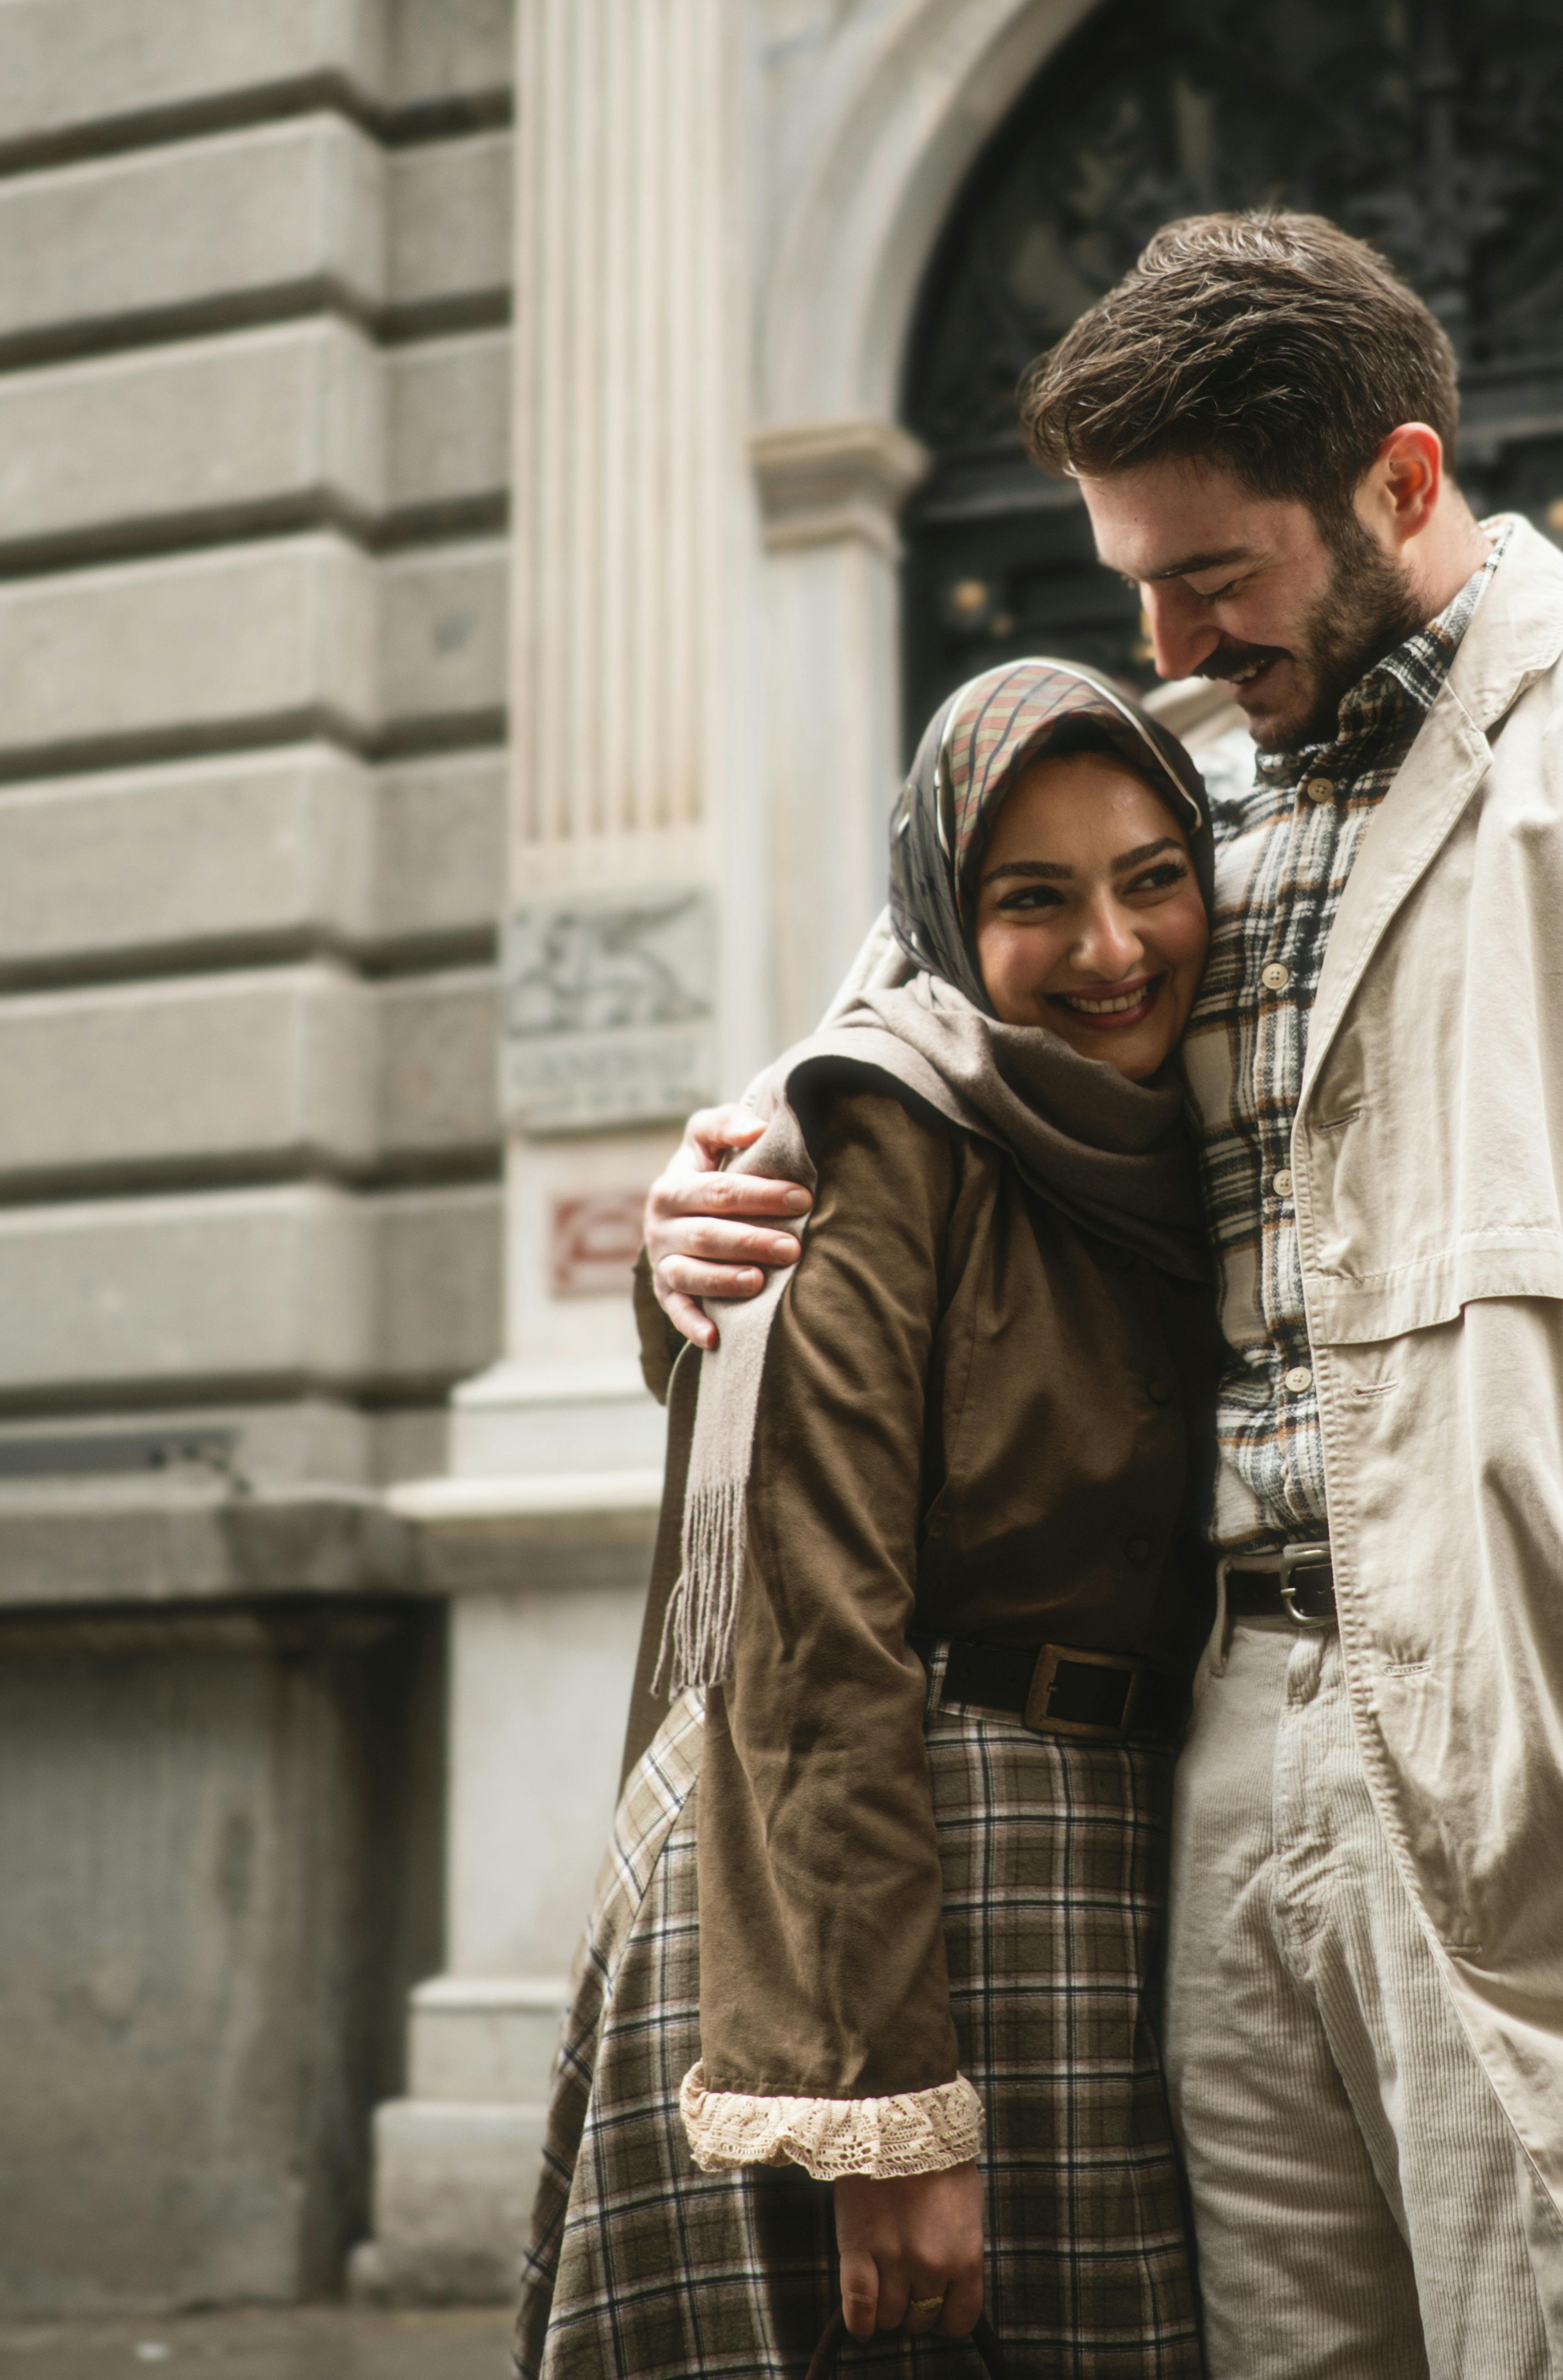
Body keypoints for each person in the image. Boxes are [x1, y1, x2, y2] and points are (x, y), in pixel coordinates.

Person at [647, 211, 1563, 2380]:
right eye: (1130, 574)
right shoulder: (1158, 790)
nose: (1162, 629)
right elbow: (863, 1123)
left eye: (1209, 573)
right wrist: (692, 1235)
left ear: (1400, 481)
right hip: (1217, 1758)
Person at [521, 661, 1227, 2380]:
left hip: (1100, 1872)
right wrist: (876, 2108)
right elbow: (814, 1608)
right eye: (1032, 901)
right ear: (937, 911)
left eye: (1153, 877)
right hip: (863, 1897)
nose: (1114, 951)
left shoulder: (1189, 1135)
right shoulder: (876, 1127)